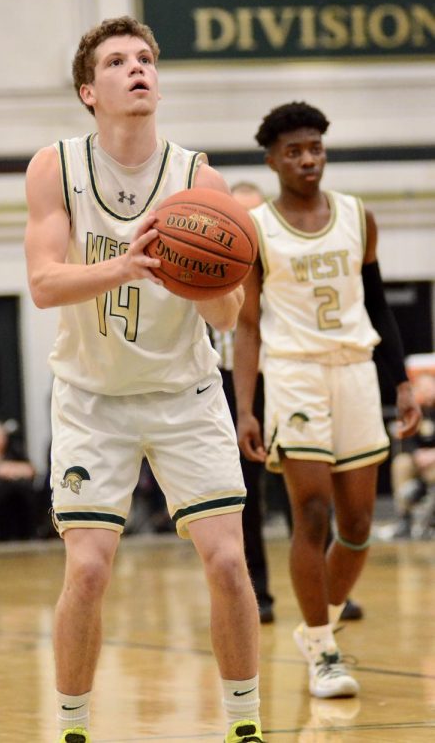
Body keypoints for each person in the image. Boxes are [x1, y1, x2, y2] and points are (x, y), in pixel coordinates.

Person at [24, 16, 264, 743]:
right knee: (90, 570)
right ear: (88, 91)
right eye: (119, 61)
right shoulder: (55, 167)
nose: (139, 70)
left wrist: (215, 277)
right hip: (93, 398)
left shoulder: (200, 180)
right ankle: (72, 726)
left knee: (226, 560)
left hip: (183, 392)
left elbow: (226, 312)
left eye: (148, 59)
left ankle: (245, 724)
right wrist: (127, 264)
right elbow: (44, 283)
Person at [234, 101, 421, 700]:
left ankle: (325, 618)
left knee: (360, 526)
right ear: (272, 160)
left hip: (357, 372)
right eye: (293, 151)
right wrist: (246, 407)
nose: (307, 158)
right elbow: (247, 326)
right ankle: (322, 648)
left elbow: (378, 305)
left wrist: (402, 381)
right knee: (312, 513)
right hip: (293, 374)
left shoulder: (357, 217)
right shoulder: (257, 227)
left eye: (314, 147)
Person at [209, 181, 275, 624]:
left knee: (306, 489)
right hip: (231, 383)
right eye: (241, 215)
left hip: (285, 377)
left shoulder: (280, 266)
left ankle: (330, 594)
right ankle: (260, 595)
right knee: (245, 496)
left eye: (256, 216)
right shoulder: (211, 260)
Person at [388, 371, 435, 538]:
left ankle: (431, 520)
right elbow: (405, 439)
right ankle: (404, 518)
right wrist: (416, 454)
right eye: (423, 388)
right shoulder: (412, 411)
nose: (428, 391)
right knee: (401, 463)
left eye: (431, 386)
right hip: (417, 459)